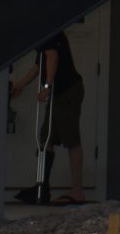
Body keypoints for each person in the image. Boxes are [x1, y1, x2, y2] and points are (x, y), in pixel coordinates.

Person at [9, 28, 87, 203]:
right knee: (46, 138)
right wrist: (21, 84)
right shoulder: (43, 33)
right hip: (58, 93)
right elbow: (41, 64)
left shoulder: (47, 30)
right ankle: (42, 187)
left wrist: (47, 86)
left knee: (71, 138)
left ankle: (77, 191)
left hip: (67, 90)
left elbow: (52, 56)